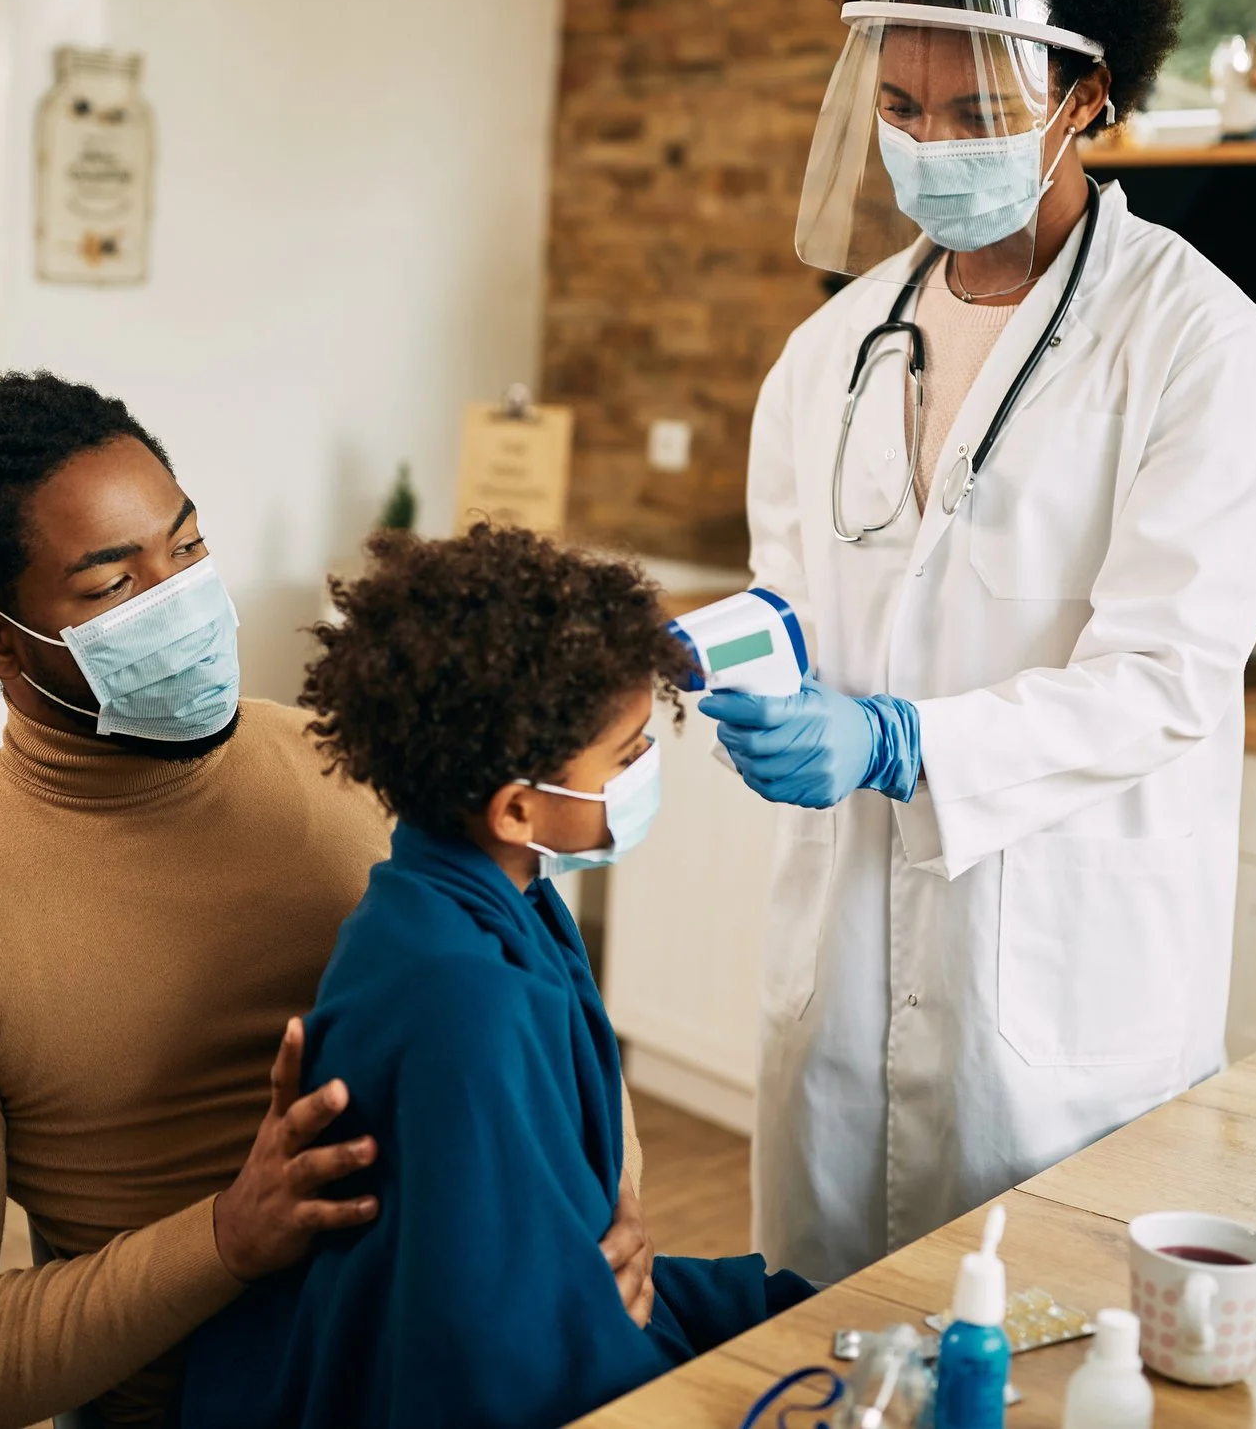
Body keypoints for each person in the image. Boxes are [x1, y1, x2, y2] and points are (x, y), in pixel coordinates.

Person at [0, 375, 651, 1429]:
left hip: (501, 1351)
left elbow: (542, 999)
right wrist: (226, 1235)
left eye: (187, 549)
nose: (179, 600)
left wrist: (600, 1205)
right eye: (113, 586)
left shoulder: (355, 765)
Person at [705, 0, 1256, 1283]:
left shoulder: (1204, 347)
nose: (928, 143)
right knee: (818, 1341)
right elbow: (799, 599)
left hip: (1053, 1002)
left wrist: (904, 739)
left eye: (974, 107)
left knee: (1032, 1340)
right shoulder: (829, 353)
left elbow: (1166, 678)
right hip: (839, 985)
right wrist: (744, 665)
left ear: (1086, 94)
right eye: (901, 104)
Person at [181, 526, 812, 1429]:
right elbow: (491, 1357)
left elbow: (553, 1230)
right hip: (464, 1371)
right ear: (517, 808)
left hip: (546, 1313)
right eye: (627, 753)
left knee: (804, 1307)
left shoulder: (488, 897)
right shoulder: (459, 996)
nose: (645, 767)